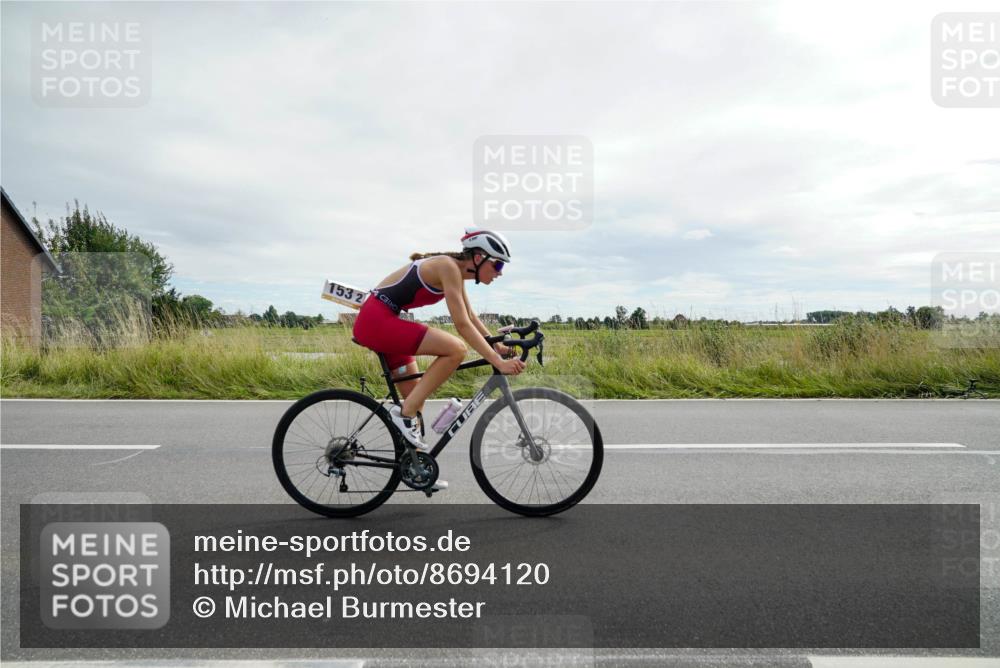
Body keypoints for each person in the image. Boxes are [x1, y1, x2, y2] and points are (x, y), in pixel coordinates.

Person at [352, 229, 526, 489]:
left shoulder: (455, 272)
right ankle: (404, 414)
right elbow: (462, 325)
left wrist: (497, 346)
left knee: (416, 402)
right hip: (377, 321)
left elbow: (471, 317)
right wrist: (497, 362)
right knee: (456, 349)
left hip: (386, 320)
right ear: (479, 258)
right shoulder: (448, 267)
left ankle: (416, 470)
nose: (500, 272)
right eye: (498, 265)